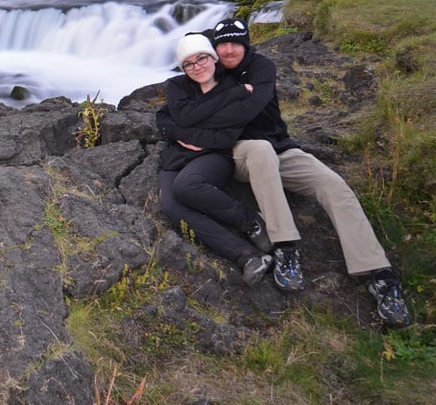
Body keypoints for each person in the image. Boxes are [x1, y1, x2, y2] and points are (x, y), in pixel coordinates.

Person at [209, 17, 411, 328]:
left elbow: (252, 108)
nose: (229, 49)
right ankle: (286, 246)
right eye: (222, 43)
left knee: (333, 184)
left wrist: (222, 106)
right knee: (260, 150)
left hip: (281, 148)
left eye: (236, 42)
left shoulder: (262, 67)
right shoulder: (207, 69)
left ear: (246, 43)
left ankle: (378, 273)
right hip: (240, 153)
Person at [156, 33, 274, 285]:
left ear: (212, 58)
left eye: (202, 58)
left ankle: (250, 220)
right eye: (189, 63)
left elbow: (224, 137)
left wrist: (186, 128)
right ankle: (248, 256)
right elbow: (165, 118)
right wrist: (180, 132)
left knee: (187, 185)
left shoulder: (232, 87)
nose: (197, 67)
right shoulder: (179, 86)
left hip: (215, 155)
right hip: (176, 155)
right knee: (170, 205)